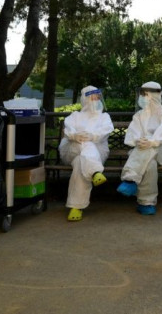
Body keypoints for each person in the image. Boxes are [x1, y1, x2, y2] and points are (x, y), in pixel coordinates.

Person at [116, 81, 162, 215]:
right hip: (144, 154)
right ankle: (146, 204)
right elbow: (132, 134)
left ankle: (130, 179)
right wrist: (138, 140)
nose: (142, 97)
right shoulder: (139, 116)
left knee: (149, 149)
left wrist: (152, 142)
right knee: (150, 164)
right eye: (141, 94)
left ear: (153, 95)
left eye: (145, 94)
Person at [57, 86, 114, 222]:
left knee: (80, 162)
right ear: (85, 99)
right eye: (93, 97)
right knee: (85, 145)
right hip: (71, 149)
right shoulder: (75, 116)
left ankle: (76, 206)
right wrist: (75, 136)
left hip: (97, 152)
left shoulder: (104, 117)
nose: (96, 100)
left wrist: (91, 136)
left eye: (98, 97)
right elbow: (68, 131)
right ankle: (95, 172)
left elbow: (105, 131)